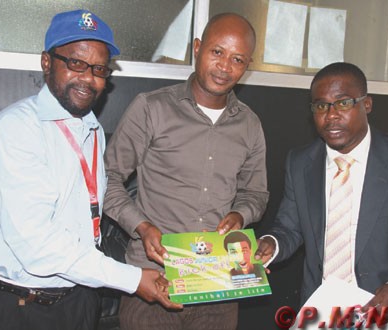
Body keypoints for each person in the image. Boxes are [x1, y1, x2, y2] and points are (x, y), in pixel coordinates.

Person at [0, 9, 181, 330]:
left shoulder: (91, 133)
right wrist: (133, 279)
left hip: (76, 300)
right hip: (16, 305)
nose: (88, 78)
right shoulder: (15, 129)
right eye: (76, 63)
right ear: (47, 62)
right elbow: (38, 245)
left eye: (99, 69)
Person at [104, 12, 268, 330]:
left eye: (237, 59)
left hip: (218, 282)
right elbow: (108, 179)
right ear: (197, 47)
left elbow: (256, 193)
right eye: (217, 52)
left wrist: (241, 215)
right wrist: (141, 226)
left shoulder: (250, 124)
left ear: (247, 66)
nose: (224, 67)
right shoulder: (151, 108)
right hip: (155, 279)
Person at [255, 62, 388, 322]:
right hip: (323, 312)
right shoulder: (300, 162)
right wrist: (273, 243)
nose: (331, 115)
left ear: (367, 104)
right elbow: (289, 227)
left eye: (343, 103)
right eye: (321, 106)